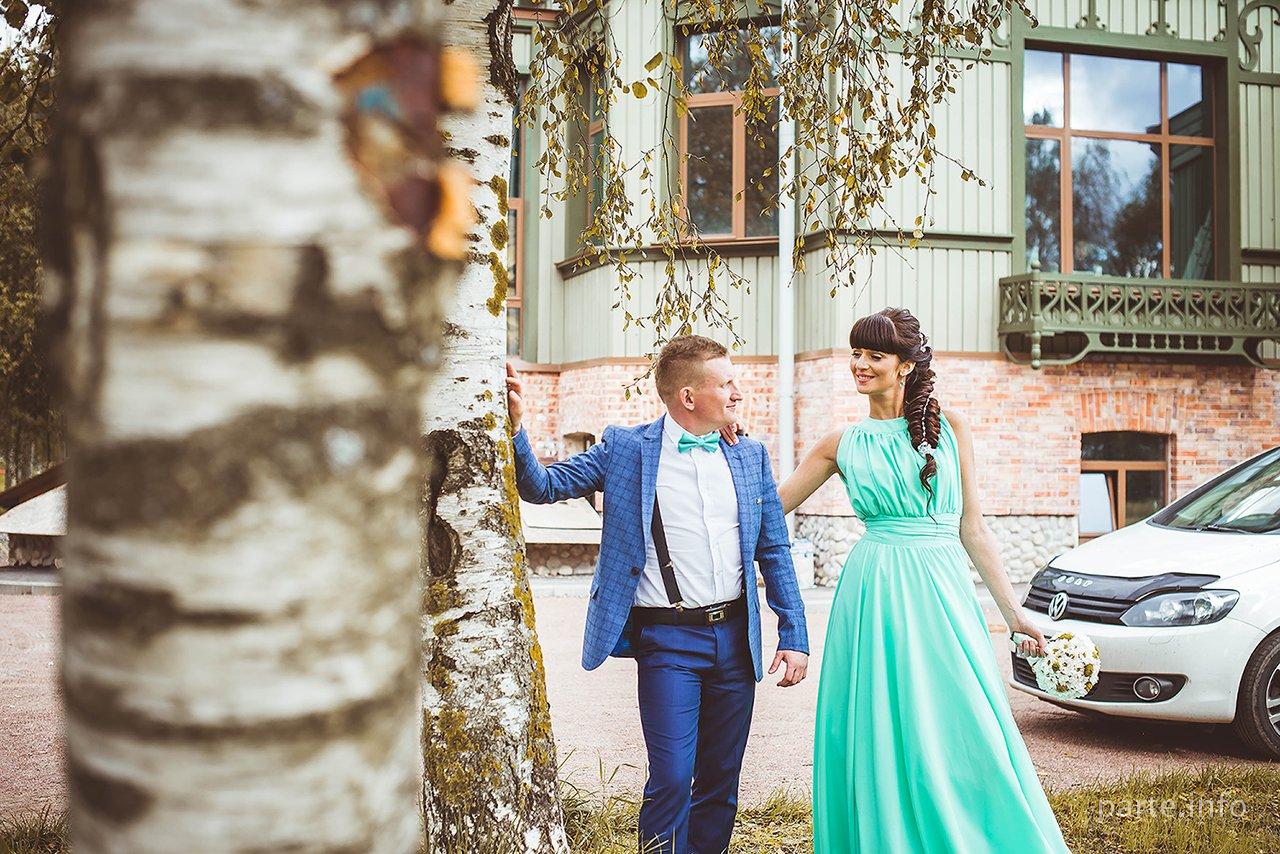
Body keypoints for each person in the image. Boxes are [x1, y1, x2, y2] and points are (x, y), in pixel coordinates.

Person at [779, 308, 1070, 853]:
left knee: (963, 717)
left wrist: (1014, 616)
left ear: (906, 366)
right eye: (856, 353)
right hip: (873, 593)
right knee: (879, 722)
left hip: (942, 589)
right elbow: (770, 512)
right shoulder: (840, 443)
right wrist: (733, 454)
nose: (860, 365)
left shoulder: (951, 427)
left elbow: (973, 527)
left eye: (875, 355)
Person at [506, 335, 809, 854]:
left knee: (721, 781)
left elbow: (774, 549)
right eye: (726, 383)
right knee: (670, 778)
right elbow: (541, 486)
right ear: (688, 396)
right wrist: (515, 428)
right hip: (668, 640)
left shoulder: (749, 455)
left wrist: (794, 632)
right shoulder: (627, 450)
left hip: (736, 639)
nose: (738, 393)